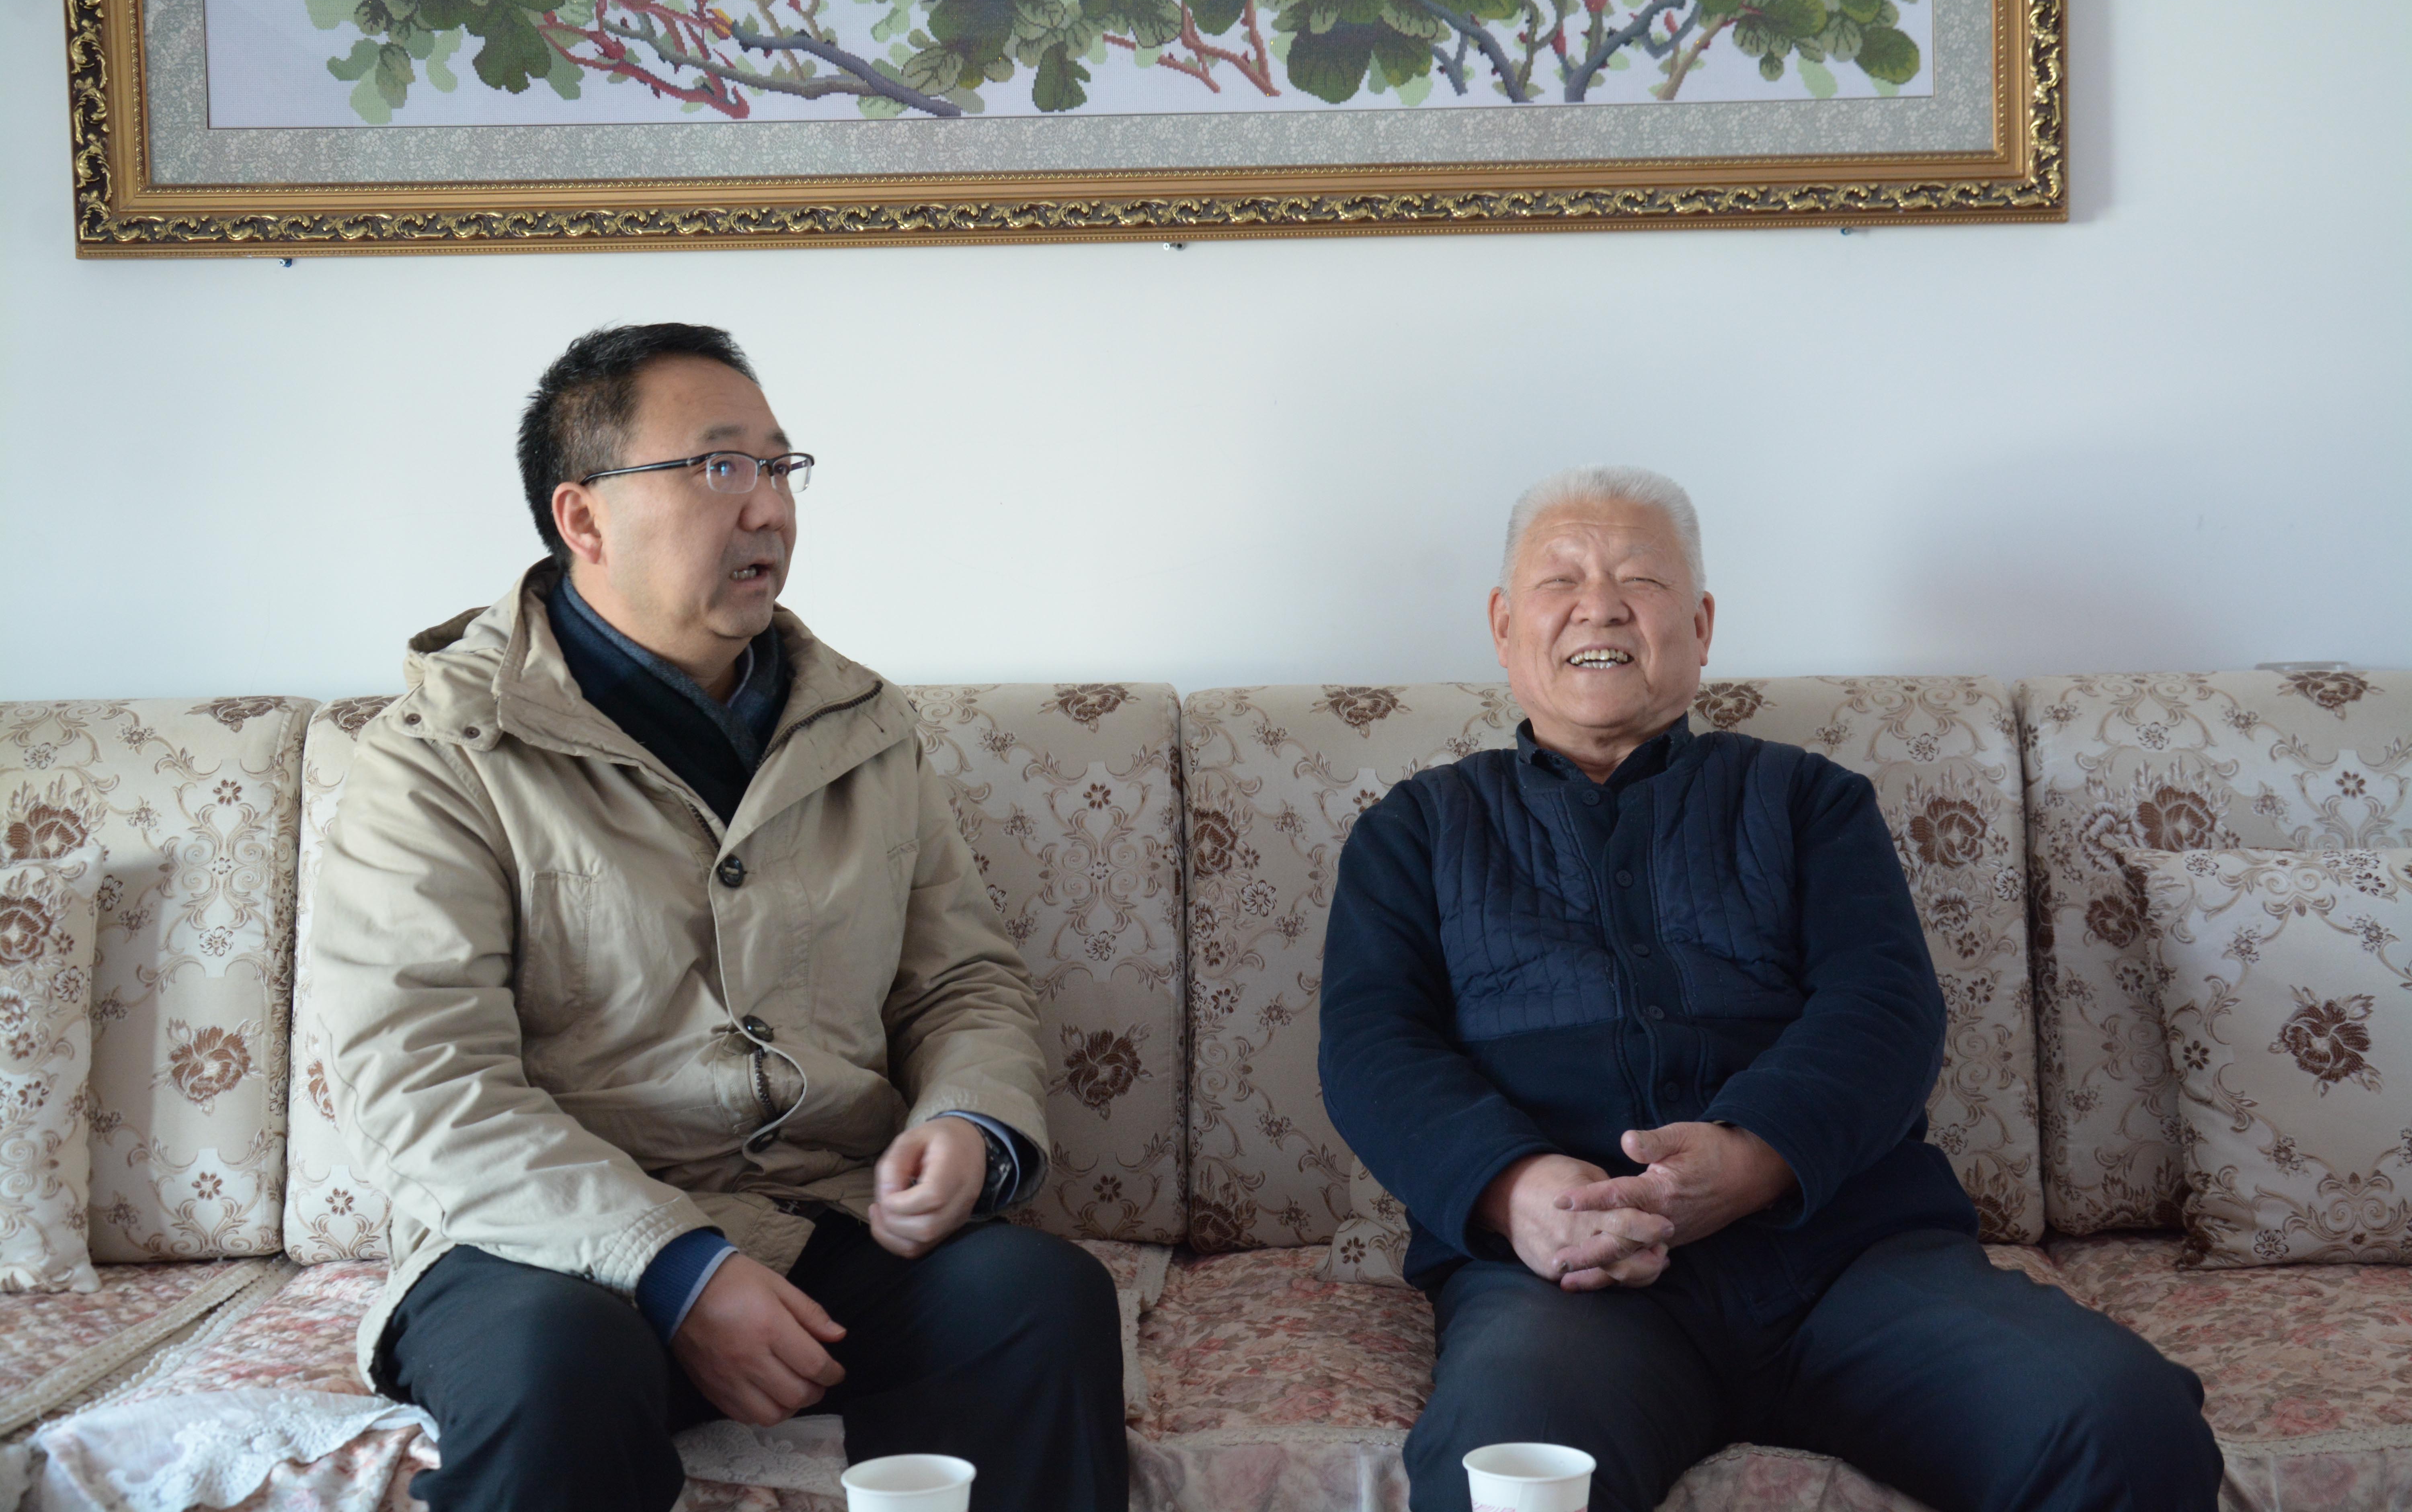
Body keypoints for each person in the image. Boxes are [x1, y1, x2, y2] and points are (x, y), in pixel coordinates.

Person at [312, 324, 1127, 1512]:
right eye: (718, 467)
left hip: (819, 1216)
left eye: (780, 467)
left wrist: (969, 1123)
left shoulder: (863, 728)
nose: (768, 509)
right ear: (584, 519)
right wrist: (678, 1269)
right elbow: (420, 1082)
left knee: (1039, 1302)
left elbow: (962, 982)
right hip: (533, 1247)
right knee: (559, 1369)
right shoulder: (441, 755)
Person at [1317, 466, 2223, 1512]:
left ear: (1701, 627)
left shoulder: (1810, 802)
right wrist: (1517, 1192)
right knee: (1510, 1477)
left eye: (1640, 579)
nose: (1600, 606)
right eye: (1561, 579)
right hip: (1570, 1283)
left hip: (1850, 1261)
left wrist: (1750, 1162)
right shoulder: (1415, 830)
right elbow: (1373, 1048)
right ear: (1504, 625)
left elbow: (1886, 1011)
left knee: (2120, 1423)